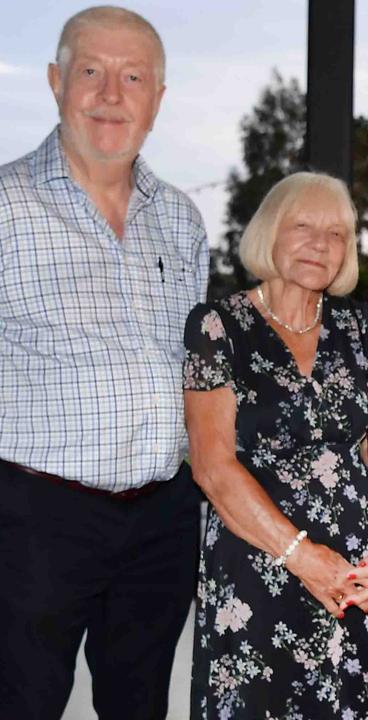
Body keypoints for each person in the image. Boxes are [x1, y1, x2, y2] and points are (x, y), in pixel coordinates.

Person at [0, 8, 208, 719]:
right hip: (34, 520)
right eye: (91, 71)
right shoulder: (4, 205)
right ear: (57, 82)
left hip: (161, 520)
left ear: (158, 99)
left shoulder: (181, 219)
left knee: (141, 704)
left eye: (133, 77)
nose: (112, 94)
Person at [183, 172, 368, 719]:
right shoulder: (218, 327)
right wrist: (302, 557)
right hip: (259, 569)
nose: (321, 244)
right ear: (270, 233)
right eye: (303, 226)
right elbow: (212, 468)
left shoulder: (363, 327)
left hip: (358, 577)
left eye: (337, 234)